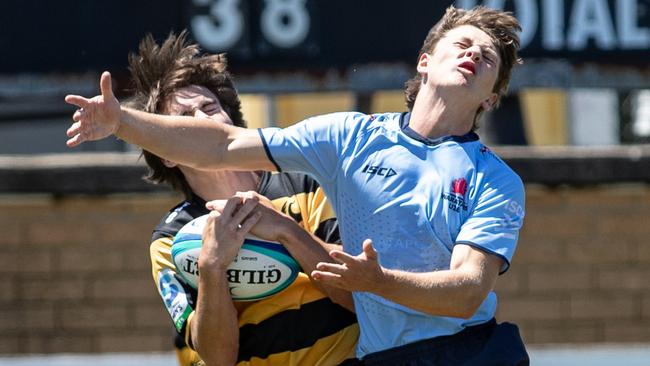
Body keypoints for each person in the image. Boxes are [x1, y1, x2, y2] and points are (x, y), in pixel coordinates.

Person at [65, 6, 529, 365]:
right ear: (424, 61)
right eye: (463, 43)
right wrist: (121, 121)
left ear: (491, 96)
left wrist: (375, 280)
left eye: (487, 57)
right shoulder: (348, 139)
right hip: (383, 358)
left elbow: (468, 291)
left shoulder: (497, 181)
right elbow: (225, 146)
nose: (473, 54)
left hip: (472, 352)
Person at [124, 32, 358, 366]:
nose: (202, 120)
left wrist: (287, 232)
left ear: (230, 121)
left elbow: (362, 296)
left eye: (209, 107)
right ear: (166, 154)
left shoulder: (306, 182)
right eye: (183, 119)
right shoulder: (171, 239)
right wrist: (212, 266)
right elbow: (217, 357)